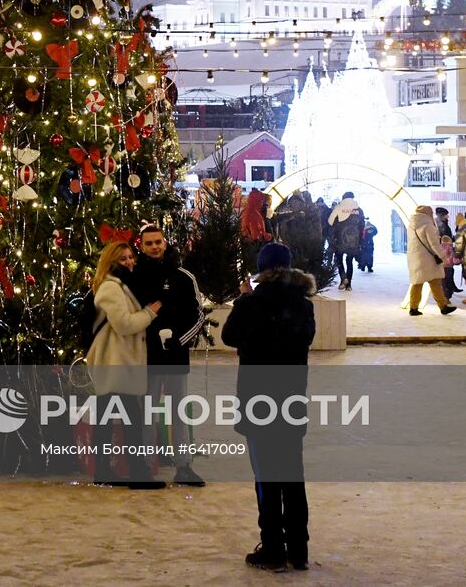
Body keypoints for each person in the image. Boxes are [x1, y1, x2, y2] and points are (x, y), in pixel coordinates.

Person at [222, 242, 316, 572]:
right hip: (291, 399)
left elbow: (229, 337)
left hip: (258, 400)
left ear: (261, 268)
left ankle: (273, 547)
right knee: (292, 473)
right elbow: (304, 340)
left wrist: (244, 299)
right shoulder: (304, 305)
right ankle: (299, 548)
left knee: (266, 475)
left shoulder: (253, 303)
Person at [86, 240, 164, 489]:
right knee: (128, 419)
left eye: (131, 257)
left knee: (112, 419)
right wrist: (149, 314)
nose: (130, 262)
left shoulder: (119, 285)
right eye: (123, 259)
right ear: (112, 263)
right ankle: (135, 473)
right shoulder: (111, 288)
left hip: (118, 362)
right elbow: (123, 324)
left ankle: (106, 470)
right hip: (115, 363)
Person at [139, 224, 207, 487]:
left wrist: (179, 341)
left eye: (158, 242)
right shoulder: (136, 277)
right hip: (146, 358)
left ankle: (183, 465)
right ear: (141, 246)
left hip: (176, 357)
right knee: (148, 412)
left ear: (164, 243)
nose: (155, 247)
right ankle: (145, 465)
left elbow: (198, 315)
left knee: (180, 412)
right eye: (149, 243)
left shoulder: (183, 277)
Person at [406, 205, 457, 317]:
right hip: (429, 259)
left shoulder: (412, 225)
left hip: (415, 257)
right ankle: (443, 306)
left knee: (417, 283)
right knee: (435, 283)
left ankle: (413, 307)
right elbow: (434, 244)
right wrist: (443, 258)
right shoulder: (428, 225)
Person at [327, 192, 364, 290]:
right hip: (354, 240)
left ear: (343, 198)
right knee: (349, 261)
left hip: (340, 239)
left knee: (339, 259)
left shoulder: (339, 207)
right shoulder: (359, 210)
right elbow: (362, 226)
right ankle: (349, 285)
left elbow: (330, 221)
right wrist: (359, 240)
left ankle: (343, 278)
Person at [434, 207, 458, 299]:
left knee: (448, 272)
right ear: (442, 215)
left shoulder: (442, 224)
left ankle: (449, 290)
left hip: (445, 251)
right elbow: (445, 238)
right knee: (446, 274)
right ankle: (446, 294)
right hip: (444, 252)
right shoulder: (440, 225)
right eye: (446, 214)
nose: (448, 216)